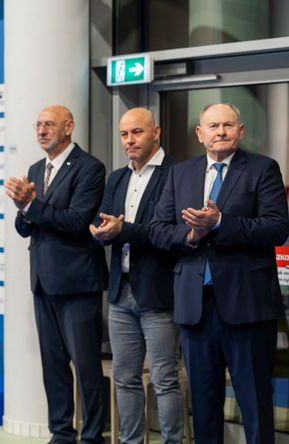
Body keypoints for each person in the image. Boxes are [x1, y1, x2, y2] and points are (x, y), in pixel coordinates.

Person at [150, 103, 289, 444]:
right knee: (204, 406)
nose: (221, 131)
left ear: (241, 131)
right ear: (200, 134)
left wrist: (221, 222)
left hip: (247, 306)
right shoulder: (180, 173)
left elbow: (277, 228)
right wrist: (191, 234)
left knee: (255, 405)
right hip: (195, 308)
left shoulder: (262, 168)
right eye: (213, 126)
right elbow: (157, 230)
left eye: (228, 125)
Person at [5, 105, 108, 444]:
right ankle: (62, 433)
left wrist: (31, 206)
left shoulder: (90, 168)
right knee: (53, 366)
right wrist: (24, 209)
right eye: (38, 125)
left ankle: (92, 436)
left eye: (49, 124)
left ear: (69, 127)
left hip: (78, 284)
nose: (41, 130)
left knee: (87, 368)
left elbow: (77, 222)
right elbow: (25, 227)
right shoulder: (36, 168)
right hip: (43, 282)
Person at [89, 108, 183, 444]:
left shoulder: (177, 174)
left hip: (159, 293)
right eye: (124, 134)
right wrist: (99, 232)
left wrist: (123, 229)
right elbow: (103, 220)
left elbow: (169, 233)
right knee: (125, 378)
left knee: (164, 380)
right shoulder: (117, 177)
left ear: (156, 132)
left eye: (137, 132)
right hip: (121, 293)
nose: (129, 140)